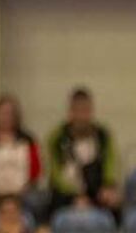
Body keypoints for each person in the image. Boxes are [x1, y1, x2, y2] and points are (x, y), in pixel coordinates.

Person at [45, 88, 121, 217]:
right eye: (77, 111)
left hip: (96, 189)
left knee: (115, 203)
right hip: (66, 191)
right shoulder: (56, 137)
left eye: (85, 111)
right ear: (70, 112)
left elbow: (111, 163)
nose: (81, 116)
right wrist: (76, 195)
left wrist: (108, 185)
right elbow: (55, 174)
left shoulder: (103, 135)